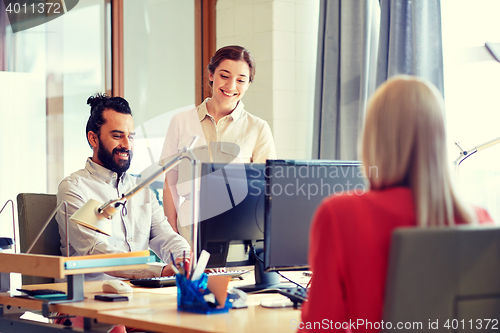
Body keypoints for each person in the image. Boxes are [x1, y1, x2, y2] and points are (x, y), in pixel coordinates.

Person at [298, 76, 492, 332]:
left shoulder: (341, 214)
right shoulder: (479, 220)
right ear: (439, 138)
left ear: (373, 138)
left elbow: (322, 326)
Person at [55, 94, 190, 281]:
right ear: (93, 139)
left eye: (131, 136)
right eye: (117, 136)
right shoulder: (74, 189)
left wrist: (186, 260)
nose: (127, 145)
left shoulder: (141, 190)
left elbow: (166, 237)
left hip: (139, 296)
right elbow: (97, 252)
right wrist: (159, 271)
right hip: (90, 299)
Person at [160, 45, 277, 242]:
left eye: (241, 80)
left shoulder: (258, 128)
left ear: (248, 84)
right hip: (190, 232)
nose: (231, 86)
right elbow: (170, 181)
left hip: (239, 229)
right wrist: (173, 235)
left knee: (233, 275)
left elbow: (265, 189)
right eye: (224, 76)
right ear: (211, 74)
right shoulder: (181, 121)